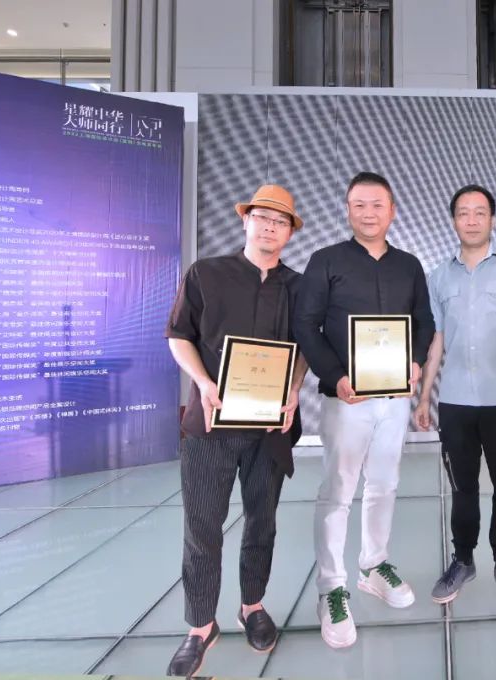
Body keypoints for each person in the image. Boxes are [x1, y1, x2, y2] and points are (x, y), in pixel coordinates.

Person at [164, 184, 308, 676]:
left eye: (280, 221)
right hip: (211, 424)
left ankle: (252, 606)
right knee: (202, 526)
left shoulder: (298, 286)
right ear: (245, 220)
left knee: (262, 521)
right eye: (262, 217)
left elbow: (303, 349)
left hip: (270, 429)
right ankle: (200, 626)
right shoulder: (205, 273)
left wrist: (293, 390)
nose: (269, 226)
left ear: (290, 232)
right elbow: (178, 335)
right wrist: (204, 383)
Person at [293, 171, 435, 649]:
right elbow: (306, 325)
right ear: (347, 210)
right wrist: (336, 376)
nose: (368, 213)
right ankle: (331, 588)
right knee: (338, 490)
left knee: (385, 483)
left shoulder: (409, 265)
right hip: (346, 399)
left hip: (394, 399)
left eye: (377, 205)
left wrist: (415, 361)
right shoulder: (326, 261)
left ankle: (374, 565)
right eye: (359, 204)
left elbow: (424, 321)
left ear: (392, 210)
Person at [416, 185, 496, 613]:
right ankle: (463, 560)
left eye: (479, 212)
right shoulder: (439, 276)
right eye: (463, 213)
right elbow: (436, 340)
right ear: (453, 220)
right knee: (462, 488)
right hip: (455, 402)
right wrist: (424, 398)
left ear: (492, 219)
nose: (471, 220)